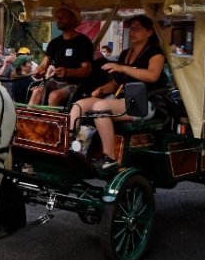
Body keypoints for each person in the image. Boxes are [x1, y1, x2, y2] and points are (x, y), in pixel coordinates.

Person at [67, 15, 166, 171]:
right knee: (80, 104)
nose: (132, 32)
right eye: (131, 28)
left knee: (100, 107)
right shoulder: (126, 53)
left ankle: (109, 157)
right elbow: (115, 83)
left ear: (149, 32)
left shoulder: (156, 53)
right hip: (120, 100)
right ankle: (71, 145)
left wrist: (123, 68)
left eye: (137, 28)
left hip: (143, 103)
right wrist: (101, 90)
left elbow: (152, 75)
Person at [29, 5, 93, 106]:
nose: (58, 19)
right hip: (55, 81)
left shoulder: (84, 42)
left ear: (73, 20)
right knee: (36, 91)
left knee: (54, 96)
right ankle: (29, 121)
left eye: (63, 17)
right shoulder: (54, 43)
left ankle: (51, 121)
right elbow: (44, 64)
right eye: (57, 17)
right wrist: (39, 71)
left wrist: (67, 72)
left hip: (75, 84)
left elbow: (87, 70)